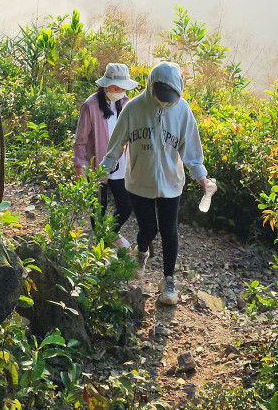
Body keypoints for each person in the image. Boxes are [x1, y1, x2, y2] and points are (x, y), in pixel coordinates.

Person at [101, 61, 208, 306]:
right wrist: (105, 170)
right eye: (160, 95)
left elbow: (191, 150)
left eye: (170, 96)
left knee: (170, 230)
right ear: (151, 86)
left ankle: (168, 280)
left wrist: (202, 178)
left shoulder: (183, 111)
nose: (165, 101)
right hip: (140, 182)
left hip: (171, 183)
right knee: (148, 229)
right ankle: (142, 251)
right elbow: (116, 144)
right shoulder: (134, 108)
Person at [74, 63, 139, 249]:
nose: (119, 92)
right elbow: (80, 142)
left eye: (122, 89)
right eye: (115, 88)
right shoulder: (90, 106)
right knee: (98, 210)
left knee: (126, 205)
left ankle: (112, 234)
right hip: (97, 166)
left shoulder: (126, 104)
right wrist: (80, 168)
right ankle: (101, 250)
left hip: (121, 164)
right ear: (105, 86)